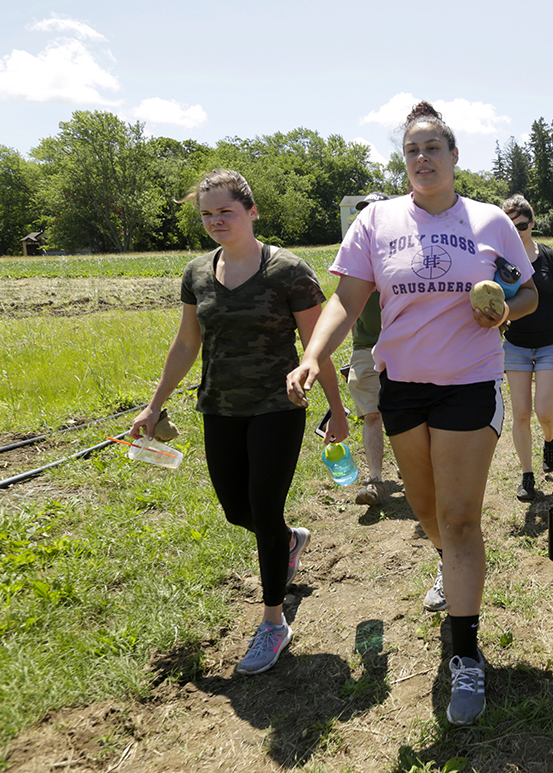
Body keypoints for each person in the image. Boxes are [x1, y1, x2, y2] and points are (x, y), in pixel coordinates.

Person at [285, 101, 537, 726]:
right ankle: (449, 571)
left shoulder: (488, 224)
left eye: (433, 148)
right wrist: (316, 356)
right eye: (411, 150)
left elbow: (529, 291)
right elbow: (346, 301)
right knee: (425, 511)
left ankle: (467, 655)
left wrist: (504, 310)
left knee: (457, 519)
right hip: (403, 386)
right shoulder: (377, 221)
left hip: (468, 383)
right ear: (404, 163)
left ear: (455, 158)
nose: (422, 158)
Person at [130, 169, 348, 675]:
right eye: (207, 214)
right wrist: (153, 403)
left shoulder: (288, 271)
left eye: (225, 211)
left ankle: (273, 622)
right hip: (219, 406)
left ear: (251, 212)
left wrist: (336, 410)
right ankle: (290, 541)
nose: (215, 221)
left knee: (264, 509)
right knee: (236, 510)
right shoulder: (197, 273)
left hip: (278, 406)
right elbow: (187, 343)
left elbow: (318, 346)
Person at [500, 193, 553, 502]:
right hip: (517, 344)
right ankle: (527, 475)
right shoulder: (501, 262)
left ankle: (551, 439)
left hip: (550, 343)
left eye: (521, 225)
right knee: (520, 412)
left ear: (532, 223)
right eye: (509, 226)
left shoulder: (551, 257)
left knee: (543, 409)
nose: (516, 231)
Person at [348, 191, 392, 506]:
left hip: (407, 345)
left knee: (413, 414)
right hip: (366, 346)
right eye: (364, 210)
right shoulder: (354, 252)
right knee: (371, 415)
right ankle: (375, 480)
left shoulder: (405, 250)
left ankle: (424, 473)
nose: (368, 215)